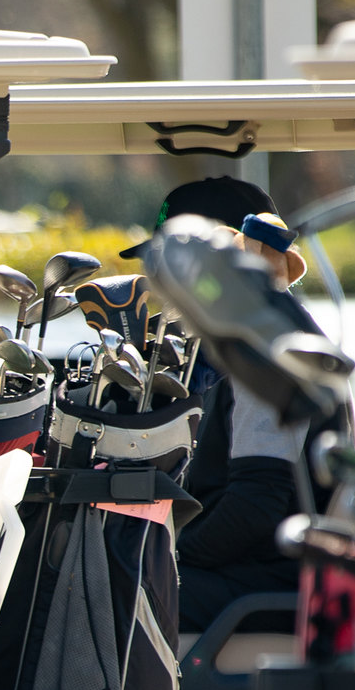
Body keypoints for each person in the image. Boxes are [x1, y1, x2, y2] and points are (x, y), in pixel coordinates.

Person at [120, 177, 334, 631]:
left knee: (102, 593)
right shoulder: (242, 337)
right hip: (239, 569)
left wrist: (169, 553)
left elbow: (254, 509)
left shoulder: (270, 350)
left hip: (264, 582)